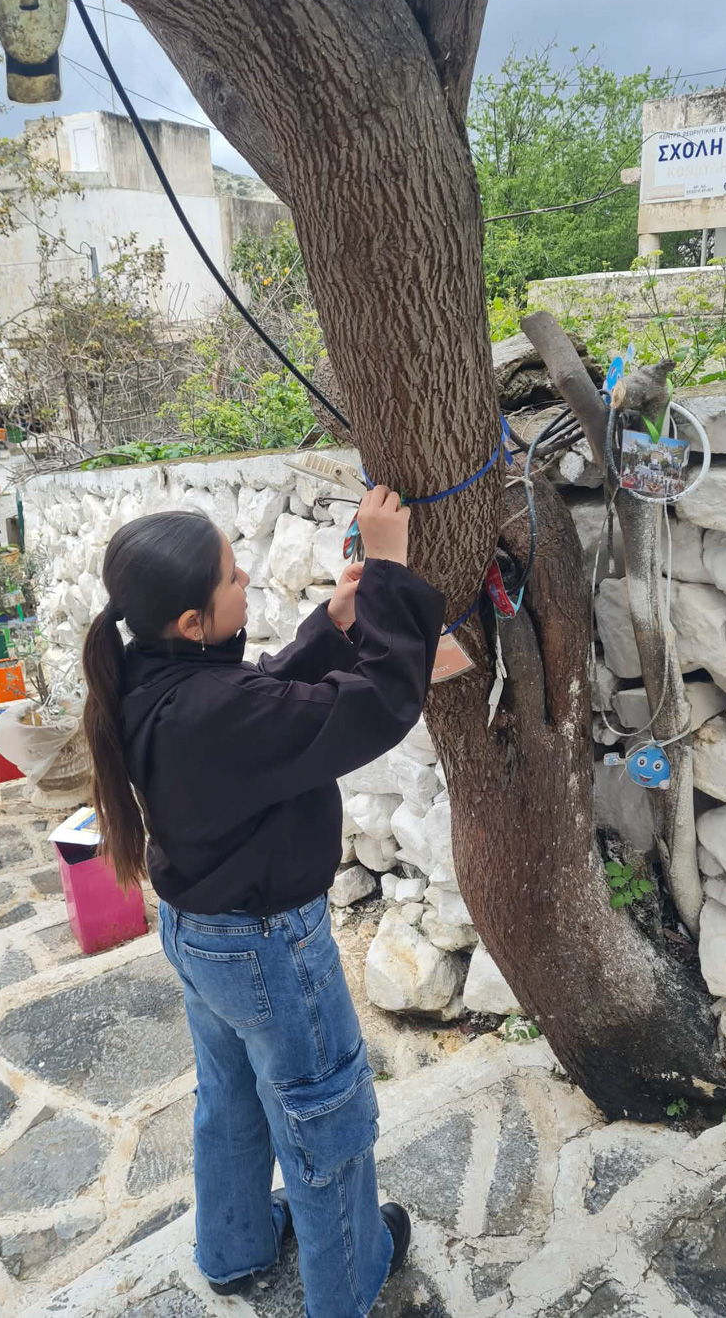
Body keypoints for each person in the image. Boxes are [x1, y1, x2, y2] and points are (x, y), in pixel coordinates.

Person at [81, 487, 445, 1317]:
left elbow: (263, 694)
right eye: (231, 576)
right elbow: (377, 706)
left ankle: (237, 1245)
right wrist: (387, 570)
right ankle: (350, 1284)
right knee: (326, 1118)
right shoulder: (212, 709)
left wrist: (336, 621)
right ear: (192, 622)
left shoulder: (148, 673)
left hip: (200, 936)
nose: (246, 579)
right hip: (267, 946)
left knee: (231, 1097)